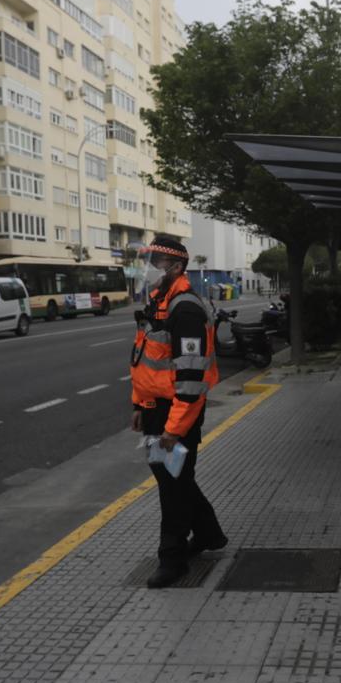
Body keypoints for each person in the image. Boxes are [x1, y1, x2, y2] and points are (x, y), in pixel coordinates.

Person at [130, 235, 228, 588]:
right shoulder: (159, 301)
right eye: (149, 262)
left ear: (175, 267)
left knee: (171, 485)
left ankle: (172, 559)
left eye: (156, 262)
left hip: (177, 413)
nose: (151, 269)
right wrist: (140, 405)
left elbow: (190, 377)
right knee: (174, 478)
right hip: (158, 410)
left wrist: (173, 429)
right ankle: (208, 534)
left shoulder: (184, 308)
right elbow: (146, 362)